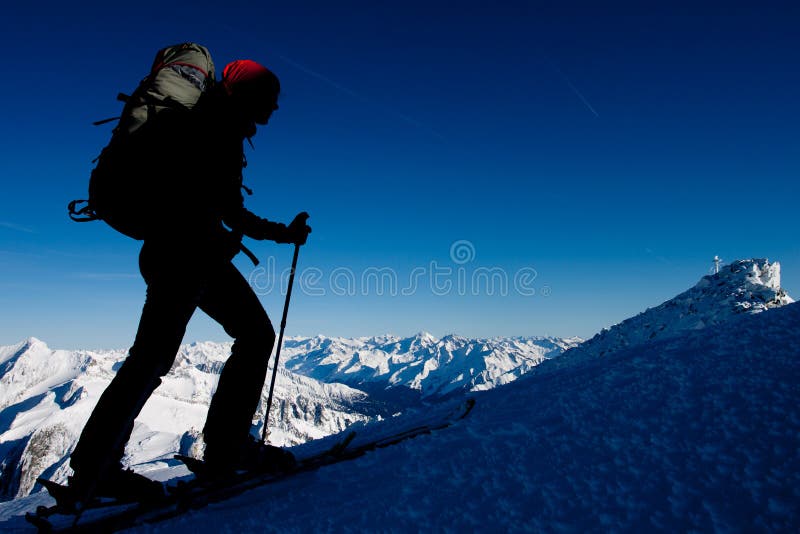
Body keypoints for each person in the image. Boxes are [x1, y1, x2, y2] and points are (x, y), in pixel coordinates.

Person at [67, 59, 310, 503]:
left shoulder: (207, 122)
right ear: (246, 96)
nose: (273, 111)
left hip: (178, 251)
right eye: (268, 101)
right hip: (187, 254)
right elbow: (228, 210)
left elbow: (219, 206)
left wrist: (278, 233)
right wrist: (284, 233)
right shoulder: (217, 125)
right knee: (181, 352)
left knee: (232, 339)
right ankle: (101, 469)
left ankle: (98, 467)